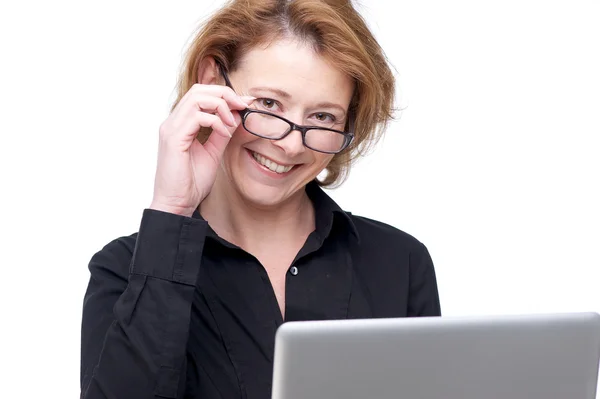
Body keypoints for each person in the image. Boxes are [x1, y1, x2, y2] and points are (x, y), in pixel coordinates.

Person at [80, 0, 441, 398]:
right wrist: (173, 210)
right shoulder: (124, 272)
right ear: (212, 82)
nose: (288, 145)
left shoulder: (400, 262)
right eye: (269, 104)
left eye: (323, 117)